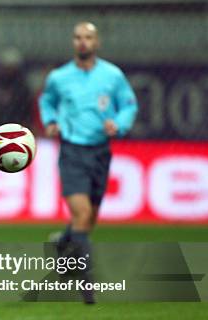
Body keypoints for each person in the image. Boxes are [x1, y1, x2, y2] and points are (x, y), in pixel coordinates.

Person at [38, 22, 138, 303]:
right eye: (78, 38)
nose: (83, 42)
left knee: (89, 219)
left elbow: (129, 104)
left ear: (97, 42)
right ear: (73, 42)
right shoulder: (59, 77)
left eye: (88, 38)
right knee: (81, 214)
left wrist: (118, 123)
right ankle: (86, 285)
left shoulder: (112, 75)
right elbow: (47, 102)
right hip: (71, 150)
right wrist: (51, 122)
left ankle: (62, 242)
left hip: (100, 151)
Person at [0, 48, 32, 133]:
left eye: (10, 67)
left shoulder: (22, 88)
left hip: (16, 129)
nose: (7, 70)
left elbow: (26, 111)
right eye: (5, 67)